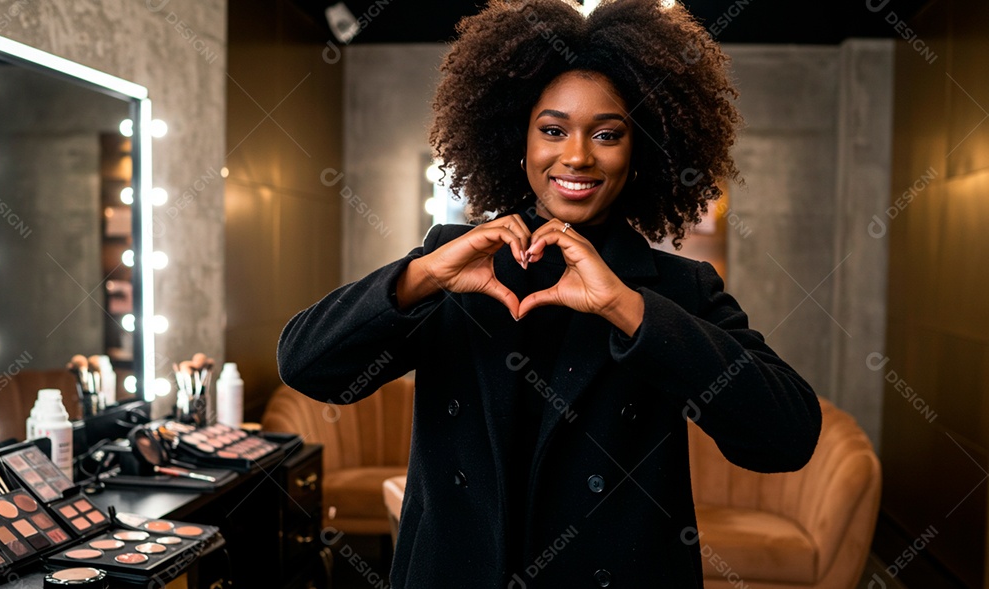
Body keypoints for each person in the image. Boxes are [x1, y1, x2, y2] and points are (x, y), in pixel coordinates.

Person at [278, 0, 821, 586]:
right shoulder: (453, 263)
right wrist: (423, 277)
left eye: (607, 134)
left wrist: (629, 310)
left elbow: (786, 437)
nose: (577, 156)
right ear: (519, 140)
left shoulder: (678, 289)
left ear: (639, 152)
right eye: (553, 130)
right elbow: (307, 365)